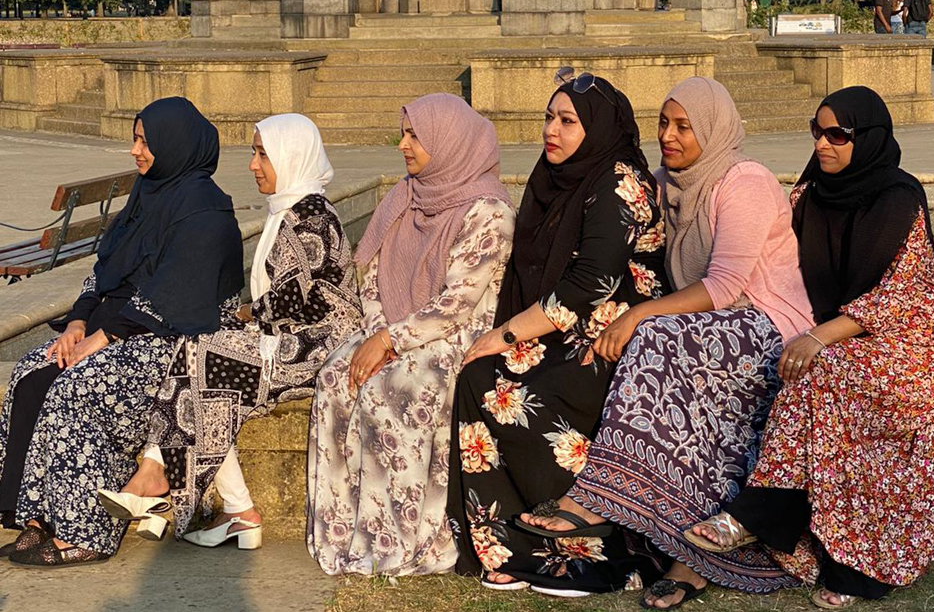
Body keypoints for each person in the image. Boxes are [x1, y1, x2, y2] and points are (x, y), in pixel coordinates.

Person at [518, 77, 816, 609]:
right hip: (706, 333)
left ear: (713, 129)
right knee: (679, 386)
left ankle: (597, 498)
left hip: (770, 326)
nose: (668, 136)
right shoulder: (664, 184)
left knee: (652, 336)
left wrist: (637, 315)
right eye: (663, 123)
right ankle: (687, 554)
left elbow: (725, 286)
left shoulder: (743, 181)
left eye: (684, 126)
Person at [687, 87, 934, 610]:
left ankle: (772, 515)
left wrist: (817, 335)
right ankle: (824, 550)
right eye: (817, 131)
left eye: (838, 134)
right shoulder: (810, 191)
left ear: (868, 138)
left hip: (913, 338)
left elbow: (901, 292)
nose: (822, 144)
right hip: (839, 335)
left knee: (821, 370)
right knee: (816, 376)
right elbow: (777, 257)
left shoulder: (898, 197)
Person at [447, 71, 668, 597]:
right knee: (479, 376)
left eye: (568, 121)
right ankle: (510, 544)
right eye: (549, 117)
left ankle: (583, 548)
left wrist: (505, 336)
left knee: (506, 381)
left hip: (618, 335)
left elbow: (591, 283)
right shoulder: (556, 177)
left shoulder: (619, 181)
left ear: (597, 127)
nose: (552, 130)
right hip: (565, 327)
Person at [98, 113, 363, 547]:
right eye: (255, 153)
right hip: (290, 339)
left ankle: (175, 488)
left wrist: (242, 314)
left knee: (205, 362)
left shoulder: (311, 217)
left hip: (319, 348)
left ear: (292, 157)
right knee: (197, 355)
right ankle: (195, 493)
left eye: (263, 155)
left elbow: (293, 302)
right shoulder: (291, 209)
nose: (253, 165)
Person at [0, 97, 243, 566]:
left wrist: (101, 339)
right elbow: (104, 272)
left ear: (174, 144)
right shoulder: (146, 196)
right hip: (116, 326)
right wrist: (77, 322)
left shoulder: (204, 210)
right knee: (31, 373)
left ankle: (86, 532)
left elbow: (176, 295)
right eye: (135, 139)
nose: (135, 151)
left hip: (170, 341)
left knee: (76, 386)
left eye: (144, 141)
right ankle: (38, 517)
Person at [307, 93, 515, 576]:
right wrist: (378, 333)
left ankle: (402, 538)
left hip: (457, 338)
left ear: (448, 141)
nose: (402, 144)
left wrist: (389, 342)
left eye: (414, 135)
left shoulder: (490, 211)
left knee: (391, 388)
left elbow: (457, 304)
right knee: (336, 375)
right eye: (403, 133)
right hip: (395, 329)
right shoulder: (405, 197)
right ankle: (343, 530)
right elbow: (373, 277)